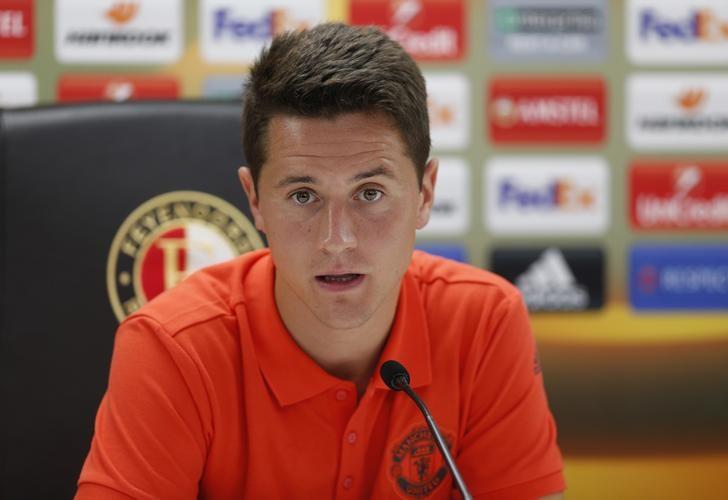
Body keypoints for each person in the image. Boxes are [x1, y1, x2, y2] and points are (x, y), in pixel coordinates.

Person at [76, 23, 565, 499]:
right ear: (255, 200)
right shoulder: (173, 348)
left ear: (425, 193)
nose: (337, 239)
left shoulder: (484, 321)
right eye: (303, 195)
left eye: (369, 193)